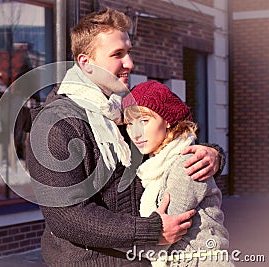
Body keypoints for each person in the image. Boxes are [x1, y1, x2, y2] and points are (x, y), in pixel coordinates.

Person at [26, 7, 225, 266]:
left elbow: (168, 141)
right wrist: (151, 231)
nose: (129, 63)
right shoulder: (53, 124)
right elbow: (67, 217)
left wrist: (212, 155)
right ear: (86, 63)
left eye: (128, 52)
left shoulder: (125, 110)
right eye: (117, 54)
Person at [122, 80, 233, 266]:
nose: (136, 133)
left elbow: (165, 233)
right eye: (129, 124)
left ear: (167, 120)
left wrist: (102, 241)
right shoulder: (153, 164)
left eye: (144, 121)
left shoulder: (187, 162)